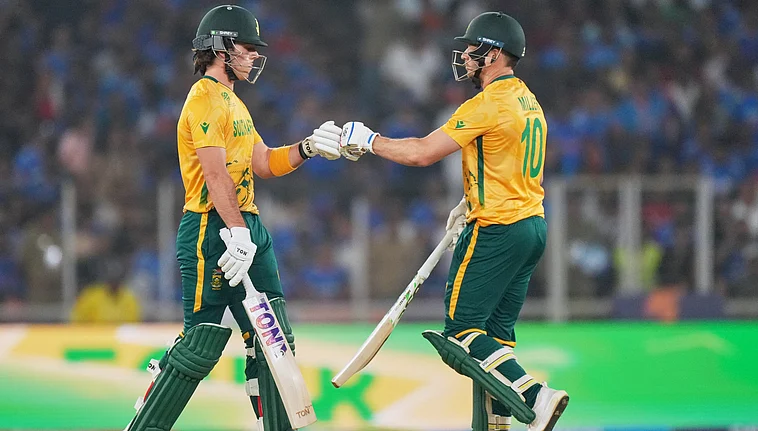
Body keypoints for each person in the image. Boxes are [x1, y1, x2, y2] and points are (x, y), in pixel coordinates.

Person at [339, 11, 568, 431]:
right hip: (531, 226)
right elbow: (506, 160)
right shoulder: (527, 100)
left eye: (472, 48)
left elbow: (422, 153)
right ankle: (497, 426)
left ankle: (537, 396)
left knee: (461, 333)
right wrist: (469, 196)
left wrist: (369, 140)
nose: (464, 55)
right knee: (495, 342)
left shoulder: (487, 103)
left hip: (496, 228)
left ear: (494, 54)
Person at [124, 5, 342, 431]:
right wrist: (237, 233)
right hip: (212, 226)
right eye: (246, 48)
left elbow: (263, 162)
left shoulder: (234, 103)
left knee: (274, 341)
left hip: (245, 227)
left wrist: (308, 147)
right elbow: (214, 174)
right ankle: (151, 409)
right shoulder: (204, 98)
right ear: (221, 48)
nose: (254, 56)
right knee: (202, 343)